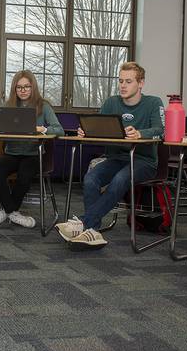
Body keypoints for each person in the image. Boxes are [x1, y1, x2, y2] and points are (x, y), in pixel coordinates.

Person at [56, 62, 164, 248]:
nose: (123, 85)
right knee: (90, 178)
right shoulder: (111, 102)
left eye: (128, 81)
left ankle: (84, 223)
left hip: (144, 162)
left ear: (141, 83)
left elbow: (161, 131)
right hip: (117, 158)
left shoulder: (154, 102)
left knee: (120, 179)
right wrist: (86, 131)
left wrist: (140, 133)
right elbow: (99, 127)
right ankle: (93, 232)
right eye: (121, 81)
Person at [0, 70, 64, 228]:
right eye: (19, 87)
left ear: (33, 87)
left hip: (33, 154)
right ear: (14, 89)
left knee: (24, 176)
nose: (23, 90)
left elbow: (59, 129)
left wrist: (43, 129)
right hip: (12, 153)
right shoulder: (8, 105)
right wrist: (6, 126)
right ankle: (12, 212)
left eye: (27, 86)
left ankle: (6, 210)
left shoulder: (43, 106)